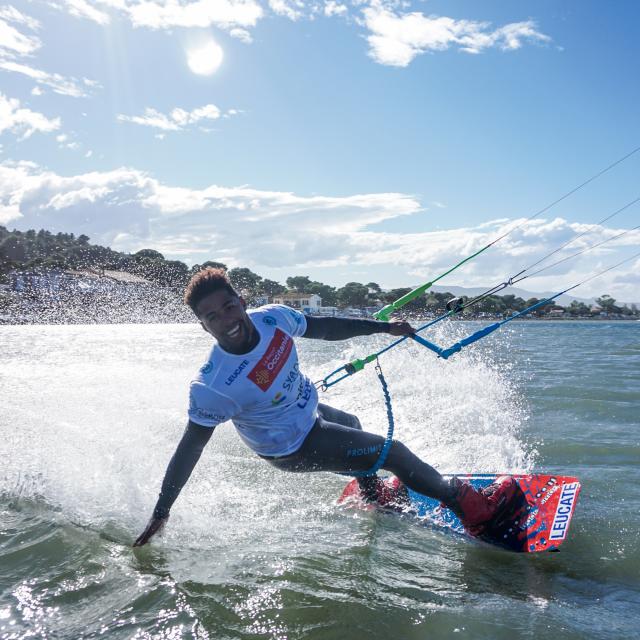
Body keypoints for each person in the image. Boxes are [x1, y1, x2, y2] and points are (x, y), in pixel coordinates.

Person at [134, 268, 516, 546]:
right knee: (392, 452)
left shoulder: (274, 319)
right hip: (291, 448)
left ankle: (374, 497)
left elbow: (326, 328)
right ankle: (476, 512)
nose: (225, 321)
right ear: (204, 327)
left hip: (309, 416)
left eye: (228, 307)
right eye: (212, 317)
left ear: (242, 303)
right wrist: (162, 511)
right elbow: (189, 448)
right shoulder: (213, 385)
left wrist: (385, 329)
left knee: (349, 420)